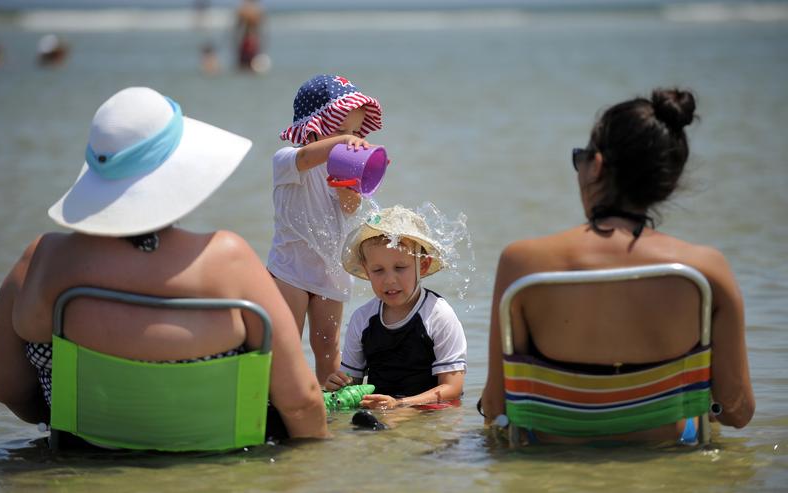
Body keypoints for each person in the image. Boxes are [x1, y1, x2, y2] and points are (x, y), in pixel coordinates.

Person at [0, 87, 328, 440]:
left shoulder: (39, 261)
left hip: (84, 458)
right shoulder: (229, 261)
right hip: (219, 468)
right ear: (177, 173)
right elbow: (301, 402)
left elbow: (10, 391)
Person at [479, 88, 755, 443]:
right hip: (665, 460)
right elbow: (737, 411)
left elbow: (495, 407)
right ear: (666, 180)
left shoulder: (521, 263)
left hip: (553, 463)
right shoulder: (706, 270)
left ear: (596, 165)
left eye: (581, 158)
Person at [270, 74, 383, 383]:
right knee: (286, 345)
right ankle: (282, 398)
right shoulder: (288, 160)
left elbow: (350, 208)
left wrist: (350, 188)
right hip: (289, 270)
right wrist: (344, 143)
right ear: (313, 127)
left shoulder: (341, 170)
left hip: (329, 271)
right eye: (341, 130)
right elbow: (307, 157)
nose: (352, 138)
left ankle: (329, 405)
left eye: (356, 131)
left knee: (328, 348)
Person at [324, 206, 467, 410]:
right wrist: (337, 386)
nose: (390, 280)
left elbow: (453, 388)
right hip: (381, 409)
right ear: (367, 271)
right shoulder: (362, 318)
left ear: (423, 266)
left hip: (426, 410)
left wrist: (401, 404)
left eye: (400, 268)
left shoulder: (438, 315)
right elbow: (352, 383)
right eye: (378, 270)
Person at [234, 0, 263, 71]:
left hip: (245, 40)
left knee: (243, 66)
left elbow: (237, 29)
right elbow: (260, 31)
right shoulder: (258, 10)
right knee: (252, 65)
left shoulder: (242, 10)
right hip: (253, 40)